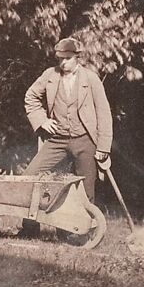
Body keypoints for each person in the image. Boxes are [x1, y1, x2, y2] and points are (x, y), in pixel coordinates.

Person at [22, 37, 113, 202]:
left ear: (77, 57)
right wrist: (42, 120)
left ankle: (82, 228)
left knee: (86, 192)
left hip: (85, 141)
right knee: (29, 176)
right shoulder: (50, 75)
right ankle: (29, 228)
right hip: (57, 140)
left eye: (67, 58)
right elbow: (31, 97)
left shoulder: (91, 78)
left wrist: (103, 147)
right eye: (60, 58)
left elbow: (104, 113)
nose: (63, 63)